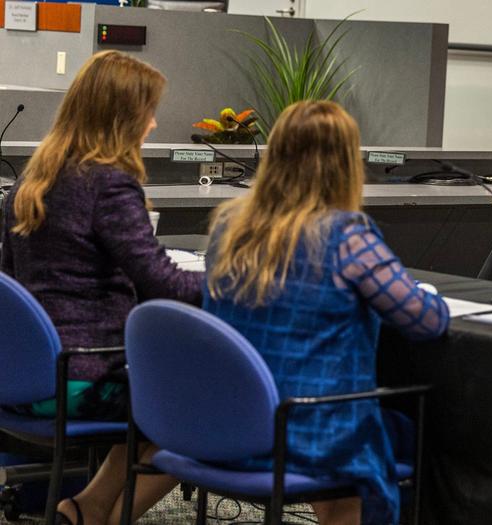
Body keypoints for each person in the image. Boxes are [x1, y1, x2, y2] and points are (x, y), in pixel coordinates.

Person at [202, 100, 450, 525]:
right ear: (344, 164)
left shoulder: (231, 228)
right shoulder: (346, 236)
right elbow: (427, 321)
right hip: (310, 431)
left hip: (232, 422)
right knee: (416, 437)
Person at [0, 51, 203, 525]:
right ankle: (112, 520)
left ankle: (84, 509)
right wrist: (239, 282)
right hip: (79, 379)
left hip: (23, 380)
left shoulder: (30, 181)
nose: (153, 124)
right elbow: (161, 282)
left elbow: (10, 281)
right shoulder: (108, 184)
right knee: (198, 402)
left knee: (155, 397)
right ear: (123, 116)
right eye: (148, 112)